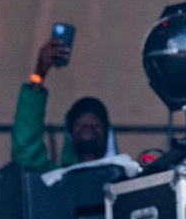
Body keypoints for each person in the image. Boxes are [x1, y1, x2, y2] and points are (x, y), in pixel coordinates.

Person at [11, 40, 117, 173]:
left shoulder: (124, 179)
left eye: (96, 124)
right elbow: (26, 152)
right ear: (70, 134)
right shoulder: (56, 179)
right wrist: (39, 74)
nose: (88, 127)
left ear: (108, 136)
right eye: (80, 123)